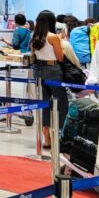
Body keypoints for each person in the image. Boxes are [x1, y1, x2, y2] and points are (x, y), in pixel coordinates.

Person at [31, 10, 65, 150]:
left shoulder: (34, 36)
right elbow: (60, 57)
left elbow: (33, 54)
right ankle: (61, 136)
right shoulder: (53, 37)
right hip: (52, 70)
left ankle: (46, 138)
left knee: (44, 104)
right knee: (61, 103)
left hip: (38, 70)